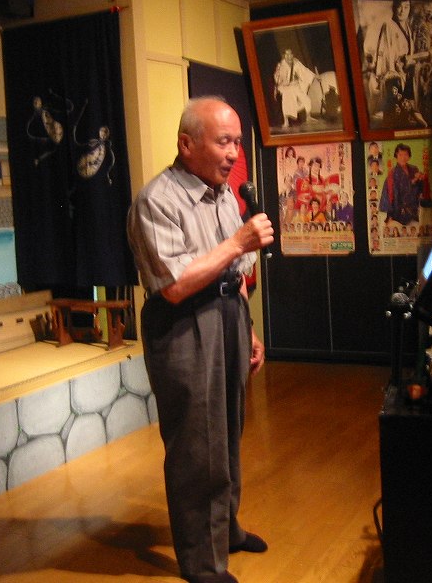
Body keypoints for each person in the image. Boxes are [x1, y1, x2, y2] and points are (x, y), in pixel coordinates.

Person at [126, 96, 273, 583]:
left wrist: (248, 327)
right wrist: (238, 242)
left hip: (228, 314)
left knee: (228, 430)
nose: (233, 153)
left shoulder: (224, 194)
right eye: (223, 141)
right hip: (184, 323)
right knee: (196, 445)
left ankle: (225, 529)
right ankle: (202, 563)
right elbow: (175, 285)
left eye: (237, 142)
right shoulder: (156, 200)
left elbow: (234, 271)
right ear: (186, 144)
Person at [379, 142, 426, 226]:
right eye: (400, 155)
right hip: (399, 210)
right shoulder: (393, 173)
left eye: (405, 155)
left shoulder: (414, 169)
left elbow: (419, 189)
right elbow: (393, 194)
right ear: (396, 156)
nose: (403, 158)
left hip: (414, 208)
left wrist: (421, 179)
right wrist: (413, 181)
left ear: (409, 156)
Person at [272, 48, 317, 129]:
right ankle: (286, 122)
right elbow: (277, 77)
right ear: (284, 55)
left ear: (292, 55)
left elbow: (304, 71)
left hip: (295, 85)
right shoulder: (281, 65)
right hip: (286, 87)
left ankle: (308, 117)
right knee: (286, 104)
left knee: (306, 99)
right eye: (286, 54)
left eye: (290, 54)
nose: (288, 56)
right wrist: (279, 79)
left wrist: (315, 76)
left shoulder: (296, 63)